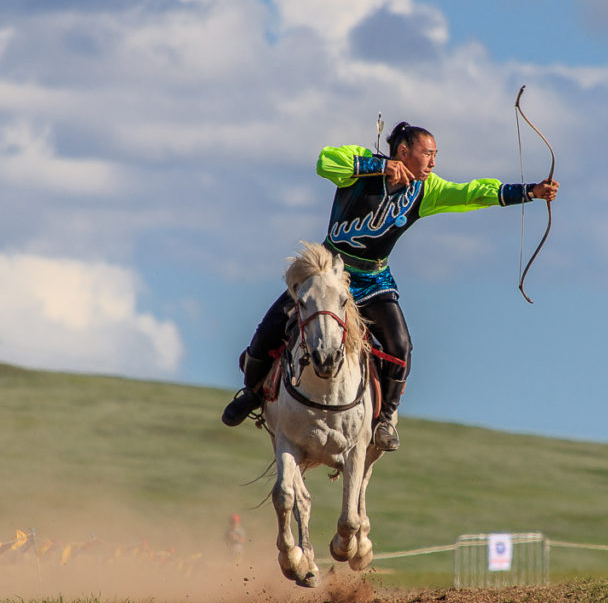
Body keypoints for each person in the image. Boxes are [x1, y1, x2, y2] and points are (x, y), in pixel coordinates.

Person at [221, 122, 559, 452]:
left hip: (373, 280)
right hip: (330, 273)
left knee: (401, 346)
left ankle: (385, 419)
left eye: (435, 155)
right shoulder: (358, 166)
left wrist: (529, 191)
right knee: (267, 332)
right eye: (428, 154)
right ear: (403, 151)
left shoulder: (426, 190)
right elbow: (325, 160)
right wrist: (382, 167)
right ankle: (251, 393)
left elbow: (474, 192)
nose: (433, 162)